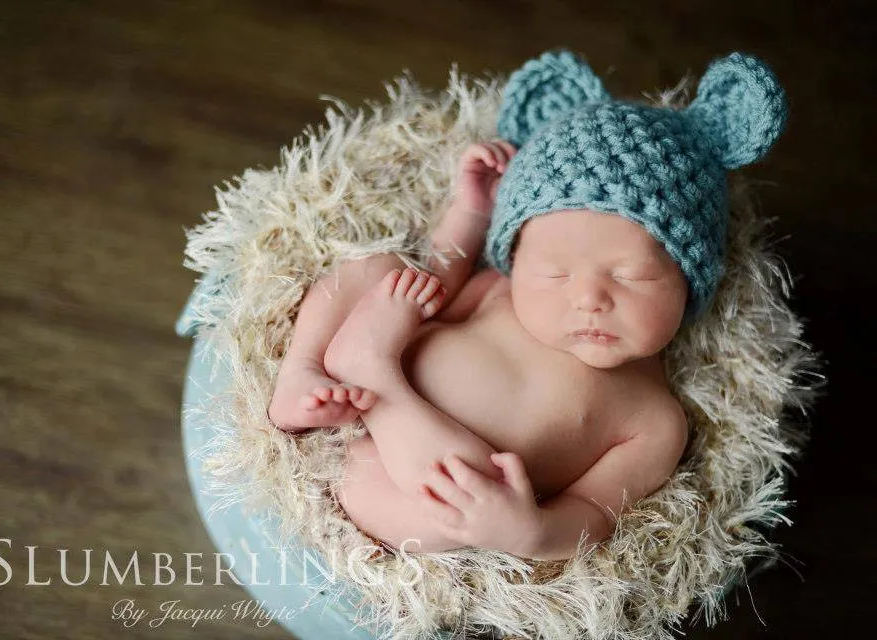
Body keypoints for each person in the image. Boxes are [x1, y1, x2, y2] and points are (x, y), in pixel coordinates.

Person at [267, 50, 787, 560]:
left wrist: (530, 533)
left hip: (399, 485)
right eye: (555, 272)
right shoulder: (499, 288)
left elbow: (594, 512)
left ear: (690, 280)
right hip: (364, 371)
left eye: (631, 275)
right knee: (382, 270)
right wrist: (470, 211)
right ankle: (303, 370)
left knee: (465, 498)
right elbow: (435, 281)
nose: (588, 298)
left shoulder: (654, 422)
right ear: (514, 258)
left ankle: (374, 378)